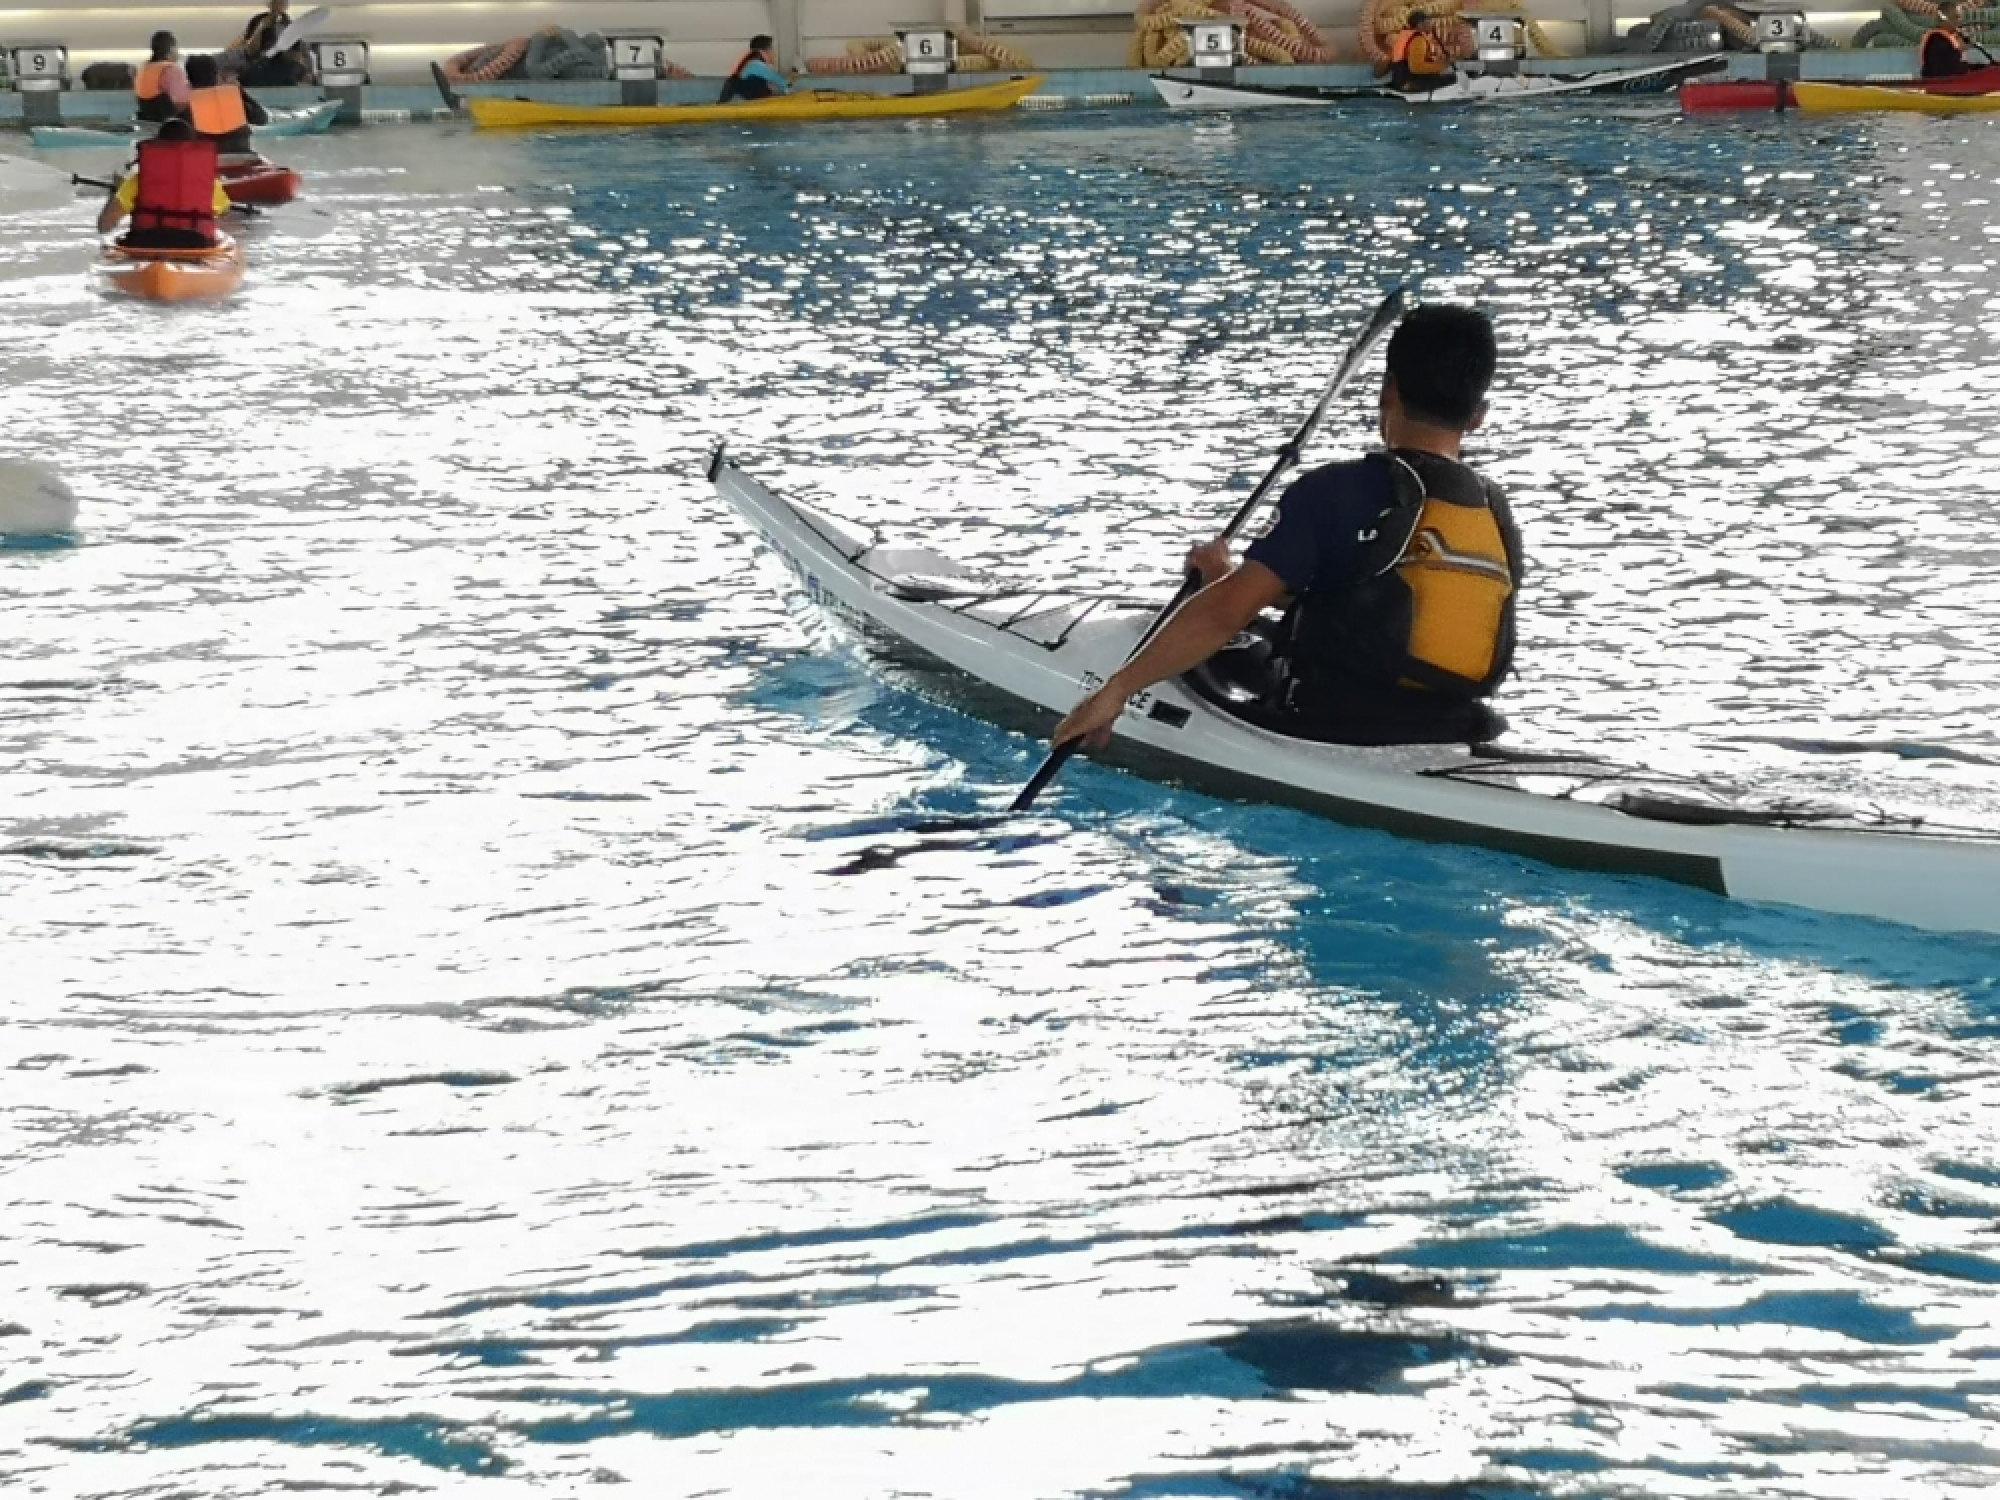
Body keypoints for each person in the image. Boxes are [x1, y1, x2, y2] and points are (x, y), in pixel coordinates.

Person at [1052, 305, 1523, 753]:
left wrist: (1116, 692)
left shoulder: (1338, 490)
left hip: (1334, 721)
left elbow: (1222, 617)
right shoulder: (1495, 514)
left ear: (1388, 391)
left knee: (1181, 633)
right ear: (1479, 414)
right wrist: (1231, 580)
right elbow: (1384, 612)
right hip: (1452, 722)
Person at [97, 119, 233, 248]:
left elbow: (104, 225)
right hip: (196, 245)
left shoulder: (138, 181)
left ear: (158, 147)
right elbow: (225, 215)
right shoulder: (208, 184)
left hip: (147, 244)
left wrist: (116, 191)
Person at [184, 52, 269, 159]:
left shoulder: (187, 103)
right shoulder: (233, 97)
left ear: (189, 78)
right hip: (241, 157)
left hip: (208, 160)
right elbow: (262, 119)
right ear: (216, 75)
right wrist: (242, 94)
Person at [238, 0, 314, 87]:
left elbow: (300, 50)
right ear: (271, 4)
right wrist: (262, 28)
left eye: (283, 2)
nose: (280, 5)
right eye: (278, 2)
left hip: (285, 70)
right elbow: (249, 46)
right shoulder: (259, 20)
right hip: (262, 68)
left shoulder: (290, 24)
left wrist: (306, 69)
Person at [1382, 15, 1456, 93]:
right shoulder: (1418, 40)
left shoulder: (1404, 35)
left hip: (1400, 80)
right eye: (1428, 22)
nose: (1431, 25)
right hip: (1410, 83)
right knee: (1453, 78)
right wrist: (1442, 66)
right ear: (1420, 24)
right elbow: (1416, 67)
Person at [133, 31, 191, 124]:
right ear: (171, 49)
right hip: (170, 124)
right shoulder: (171, 69)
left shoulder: (143, 69)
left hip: (148, 122)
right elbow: (181, 103)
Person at [719, 35, 790, 103]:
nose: (774, 53)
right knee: (771, 85)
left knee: (770, 85)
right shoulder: (755, 64)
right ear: (763, 52)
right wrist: (787, 85)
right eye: (772, 50)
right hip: (737, 97)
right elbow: (776, 78)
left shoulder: (752, 62)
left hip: (743, 93)